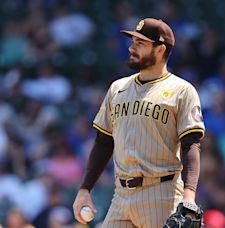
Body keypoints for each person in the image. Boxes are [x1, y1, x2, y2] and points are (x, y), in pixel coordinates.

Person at [73, 18, 205, 227]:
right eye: (133, 41)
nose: (131, 47)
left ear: (160, 49)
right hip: (121, 196)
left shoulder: (182, 90)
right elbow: (103, 142)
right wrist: (84, 189)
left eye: (140, 43)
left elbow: (191, 145)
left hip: (161, 193)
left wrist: (189, 195)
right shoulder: (118, 88)